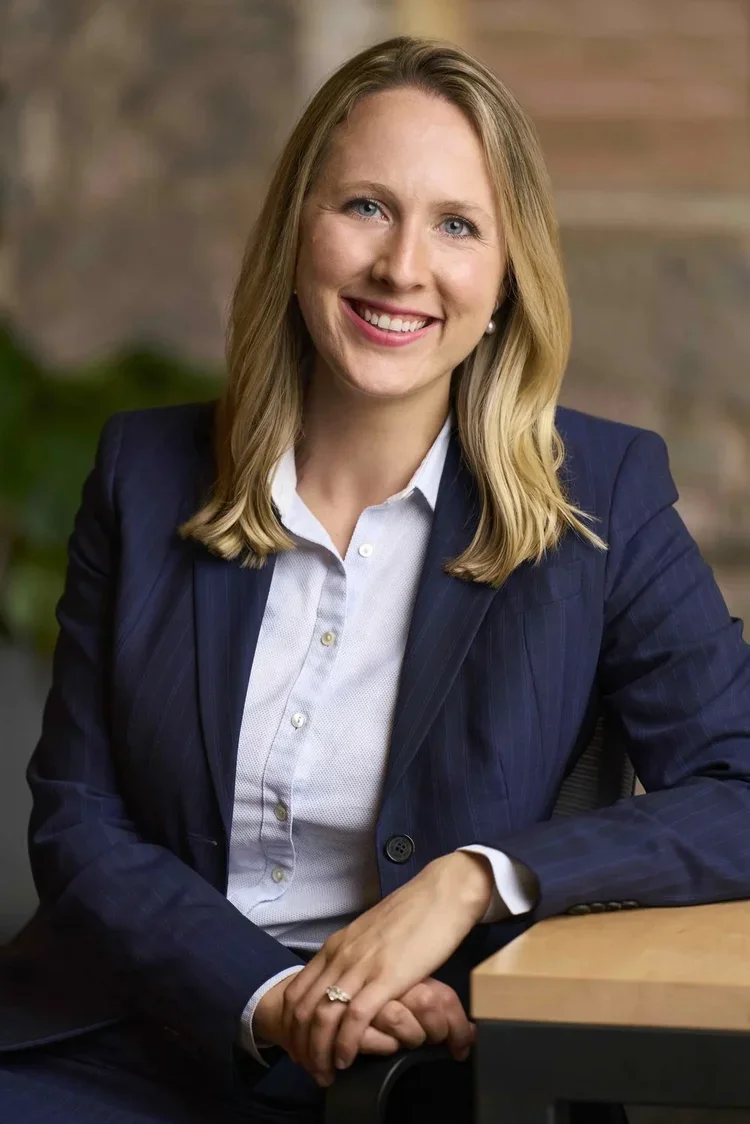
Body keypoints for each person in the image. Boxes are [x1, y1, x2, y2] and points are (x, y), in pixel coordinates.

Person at [1, 34, 749, 1124]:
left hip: (430, 1065)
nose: (403, 266)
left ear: (503, 280)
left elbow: (740, 786)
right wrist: (272, 995)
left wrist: (475, 879)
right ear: (297, 232)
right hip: (139, 1038)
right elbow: (78, 820)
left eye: (457, 225)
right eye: (365, 206)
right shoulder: (143, 471)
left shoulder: (602, 497)